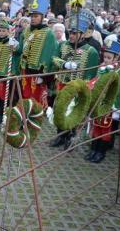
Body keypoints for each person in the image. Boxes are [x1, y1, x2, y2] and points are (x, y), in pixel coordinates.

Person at [50, 8, 99, 149]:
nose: (71, 35)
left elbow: (91, 75)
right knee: (59, 110)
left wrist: (83, 90)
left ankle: (70, 139)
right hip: (61, 83)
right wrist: (64, 63)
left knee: (72, 112)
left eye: (75, 33)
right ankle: (60, 135)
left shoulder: (91, 51)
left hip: (77, 88)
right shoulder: (62, 45)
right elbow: (53, 58)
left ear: (82, 34)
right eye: (70, 32)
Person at [85, 39, 120, 163]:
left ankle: (101, 152)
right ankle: (94, 149)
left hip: (109, 104)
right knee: (96, 126)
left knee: (105, 128)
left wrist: (115, 105)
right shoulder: (102, 68)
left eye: (109, 58)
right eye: (105, 57)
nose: (106, 60)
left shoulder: (119, 72)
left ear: (116, 58)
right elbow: (96, 81)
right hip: (98, 102)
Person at [16, 0, 57, 108]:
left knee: (36, 98)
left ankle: (34, 120)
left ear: (42, 17)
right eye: (32, 16)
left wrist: (43, 75)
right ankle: (24, 118)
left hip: (37, 72)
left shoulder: (48, 33)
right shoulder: (26, 30)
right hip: (25, 69)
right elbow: (21, 48)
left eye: (36, 16)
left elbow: (49, 55)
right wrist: (14, 46)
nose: (33, 18)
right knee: (25, 95)